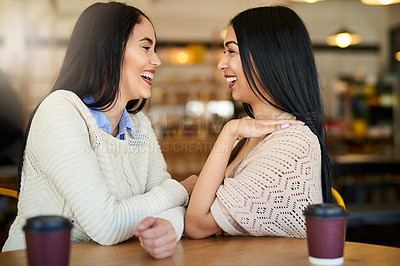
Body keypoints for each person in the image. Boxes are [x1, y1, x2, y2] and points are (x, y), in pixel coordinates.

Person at [2, 2, 196, 259]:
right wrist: (181, 189)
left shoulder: (140, 126)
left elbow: (166, 201)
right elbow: (107, 225)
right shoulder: (59, 111)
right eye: (146, 47)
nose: (157, 60)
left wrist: (170, 224)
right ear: (109, 51)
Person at [184, 6, 333, 239]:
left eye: (231, 52)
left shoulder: (293, 143)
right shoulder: (250, 132)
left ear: (268, 56)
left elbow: (197, 224)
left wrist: (229, 131)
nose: (222, 63)